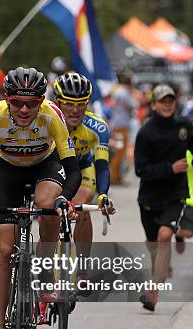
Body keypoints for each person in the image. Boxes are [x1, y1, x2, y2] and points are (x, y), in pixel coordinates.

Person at [0, 67, 81, 329]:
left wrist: (64, 199)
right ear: (7, 99)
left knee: (47, 204)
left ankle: (45, 273)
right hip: (5, 172)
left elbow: (73, 170)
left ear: (41, 101)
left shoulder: (52, 116)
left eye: (31, 103)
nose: (24, 109)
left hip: (44, 167)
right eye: (17, 102)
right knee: (4, 251)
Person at [134, 84, 193, 312]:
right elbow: (141, 170)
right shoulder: (145, 133)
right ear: (154, 104)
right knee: (154, 243)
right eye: (162, 101)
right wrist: (171, 168)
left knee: (164, 236)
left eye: (171, 100)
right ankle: (162, 265)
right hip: (149, 196)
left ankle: (153, 292)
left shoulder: (184, 126)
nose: (167, 104)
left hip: (175, 194)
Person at [50, 72, 116, 303]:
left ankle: (82, 270)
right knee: (50, 214)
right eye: (68, 104)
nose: (75, 110)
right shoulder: (46, 121)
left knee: (80, 207)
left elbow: (102, 166)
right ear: (57, 102)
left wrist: (104, 194)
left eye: (81, 104)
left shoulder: (97, 127)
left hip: (82, 167)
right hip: (52, 169)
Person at [109, 75, 138, 185]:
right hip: (121, 125)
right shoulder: (124, 93)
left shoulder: (117, 91)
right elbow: (134, 104)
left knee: (119, 152)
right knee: (119, 153)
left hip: (117, 124)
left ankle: (117, 176)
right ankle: (113, 177)